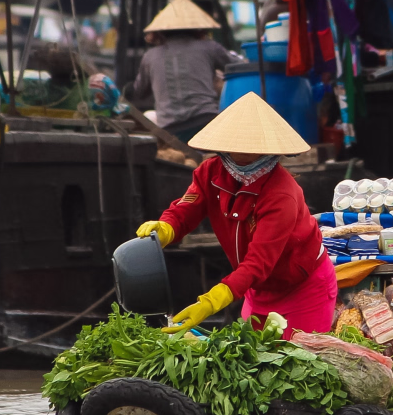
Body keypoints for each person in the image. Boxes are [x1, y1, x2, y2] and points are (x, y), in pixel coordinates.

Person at [134, 92, 335, 334]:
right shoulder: (210, 172)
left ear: (268, 152)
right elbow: (185, 210)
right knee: (254, 363)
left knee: (302, 364)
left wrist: (211, 302)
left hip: (303, 288)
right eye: (232, 152)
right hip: (256, 288)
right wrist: (165, 227)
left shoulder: (281, 194)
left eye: (250, 153)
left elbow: (258, 262)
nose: (238, 161)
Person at [129, 0, 243, 145]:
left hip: (170, 130)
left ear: (161, 32)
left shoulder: (150, 56)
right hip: (206, 123)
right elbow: (238, 67)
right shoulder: (209, 47)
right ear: (198, 28)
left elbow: (139, 92)